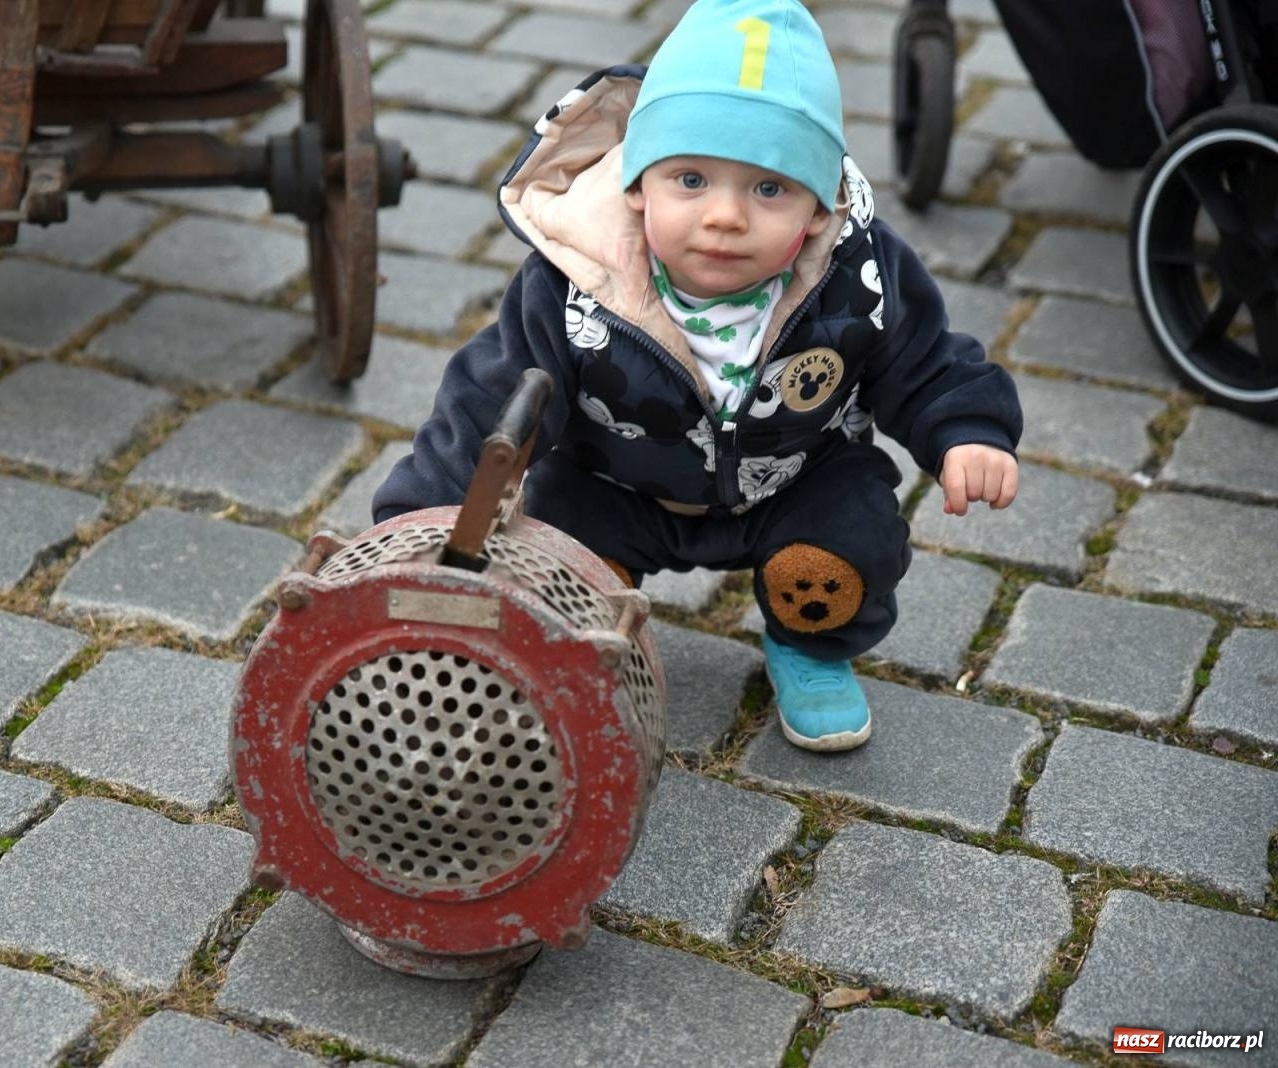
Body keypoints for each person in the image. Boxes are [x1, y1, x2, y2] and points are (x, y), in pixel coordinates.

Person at [372, 0, 1021, 752]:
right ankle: (573, 644)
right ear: (638, 185)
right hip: (617, 485)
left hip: (796, 478)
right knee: (551, 539)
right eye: (690, 179)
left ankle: (809, 649)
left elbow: (926, 358)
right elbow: (492, 404)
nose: (725, 217)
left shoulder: (859, 274)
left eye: (769, 189)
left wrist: (968, 431)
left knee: (854, 533)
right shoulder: (575, 283)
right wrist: (418, 525)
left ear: (817, 209)